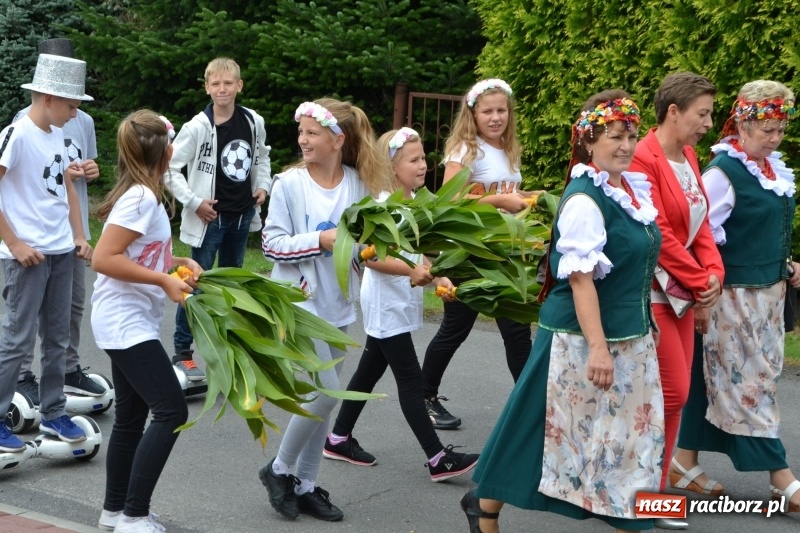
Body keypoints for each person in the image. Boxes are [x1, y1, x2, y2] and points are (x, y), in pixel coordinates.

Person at [461, 90, 664, 533]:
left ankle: (486, 502)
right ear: (589, 140)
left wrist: (644, 324)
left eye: (631, 134)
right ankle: (486, 504)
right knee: (541, 427)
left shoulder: (627, 189)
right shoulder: (585, 200)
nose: (627, 145)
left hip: (628, 336)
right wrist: (597, 348)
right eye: (614, 136)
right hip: (578, 338)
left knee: (630, 437)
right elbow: (580, 278)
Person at [322, 127, 480, 481]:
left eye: (423, 157)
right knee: (410, 380)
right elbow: (372, 258)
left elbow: (418, 250)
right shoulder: (380, 206)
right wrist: (414, 271)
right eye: (414, 160)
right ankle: (438, 457)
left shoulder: (413, 202)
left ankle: (337, 438)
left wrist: (438, 275)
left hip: (399, 301)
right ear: (393, 167)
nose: (423, 165)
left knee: (368, 371)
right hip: (385, 302)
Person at [259, 98, 391, 522]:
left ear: (338, 140)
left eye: (312, 133)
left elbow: (371, 239)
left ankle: (306, 484)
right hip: (299, 304)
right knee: (324, 392)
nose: (302, 140)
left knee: (325, 399)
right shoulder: (288, 184)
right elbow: (271, 244)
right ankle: (279, 469)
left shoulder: (357, 183)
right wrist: (322, 241)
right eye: (302, 132)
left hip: (337, 306)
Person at [673, 80, 800, 512]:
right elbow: (696, 233)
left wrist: (787, 263)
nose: (775, 137)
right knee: (752, 386)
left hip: (768, 297)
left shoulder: (771, 169)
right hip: (732, 299)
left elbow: (761, 229)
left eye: (780, 129)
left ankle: (684, 460)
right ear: (743, 125)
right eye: (767, 128)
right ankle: (781, 478)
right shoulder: (722, 173)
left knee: (719, 378)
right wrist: (702, 291)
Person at [628, 72, 724, 529]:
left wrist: (714, 276)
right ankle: (649, 494)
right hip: (652, 291)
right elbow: (659, 233)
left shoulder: (687, 155)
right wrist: (697, 280)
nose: (708, 123)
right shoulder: (642, 158)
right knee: (673, 392)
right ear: (673, 112)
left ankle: (652, 491)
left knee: (674, 398)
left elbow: (700, 223)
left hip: (683, 292)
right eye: (702, 113)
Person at [91, 110, 195, 533]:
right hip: (124, 321)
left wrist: (175, 264)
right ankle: (134, 516)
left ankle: (114, 511)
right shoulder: (142, 198)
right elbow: (104, 258)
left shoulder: (142, 194)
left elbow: (139, 255)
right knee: (170, 411)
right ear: (167, 152)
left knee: (132, 419)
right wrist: (161, 280)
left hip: (127, 320)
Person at [421, 78, 532, 430]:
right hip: (468, 252)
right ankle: (424, 397)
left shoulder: (508, 149)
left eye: (501, 110)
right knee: (456, 327)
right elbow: (449, 201)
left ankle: (528, 403)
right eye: (488, 111)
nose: (496, 117)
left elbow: (508, 191)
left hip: (503, 251)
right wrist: (500, 200)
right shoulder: (465, 150)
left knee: (516, 328)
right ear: (473, 114)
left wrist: (531, 196)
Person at [0, 53, 94, 452]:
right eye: (71, 105)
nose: (75, 114)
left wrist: (78, 235)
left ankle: (54, 411)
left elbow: (66, 189)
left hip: (60, 252)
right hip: (27, 256)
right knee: (18, 339)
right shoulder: (16, 134)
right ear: (46, 97)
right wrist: (16, 243)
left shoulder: (57, 133)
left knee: (57, 338)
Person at [163, 57, 271, 381]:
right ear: (207, 88)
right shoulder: (197, 126)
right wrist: (194, 202)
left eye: (228, 83)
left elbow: (262, 156)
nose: (222, 89)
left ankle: (226, 352)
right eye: (216, 84)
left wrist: (263, 185)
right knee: (195, 285)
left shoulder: (253, 121)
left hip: (241, 218)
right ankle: (182, 353)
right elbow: (170, 169)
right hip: (211, 220)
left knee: (231, 288)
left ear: (239, 85)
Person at [13, 38, 106, 406]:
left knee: (70, 306)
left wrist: (90, 172)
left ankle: (67, 369)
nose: (73, 104)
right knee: (26, 313)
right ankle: (21, 378)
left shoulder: (82, 120)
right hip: (36, 233)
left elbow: (84, 167)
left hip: (71, 231)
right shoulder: (24, 124)